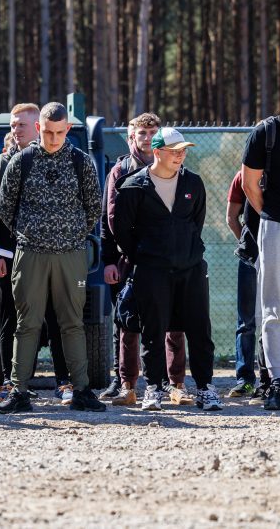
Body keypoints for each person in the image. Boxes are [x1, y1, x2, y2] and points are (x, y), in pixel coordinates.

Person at [0, 102, 106, 413]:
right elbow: (5, 207)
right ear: (40, 128)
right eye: (48, 132)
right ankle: (19, 392)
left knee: (72, 323)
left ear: (67, 129)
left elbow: (93, 207)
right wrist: (31, 232)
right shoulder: (23, 160)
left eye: (60, 132)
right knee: (26, 324)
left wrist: (67, 235)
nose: (54, 138)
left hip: (70, 254)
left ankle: (81, 390)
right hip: (31, 254)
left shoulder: (81, 162)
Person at [113, 127, 221, 411]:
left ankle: (205, 388)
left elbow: (195, 224)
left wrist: (183, 252)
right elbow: (123, 232)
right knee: (153, 330)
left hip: (191, 269)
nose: (181, 155)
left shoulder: (194, 183)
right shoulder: (133, 185)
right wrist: (147, 256)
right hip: (151, 270)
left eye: (184, 150)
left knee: (199, 329)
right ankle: (154, 389)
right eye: (174, 151)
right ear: (158, 152)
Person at [0, 103, 72, 404]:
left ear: (37, 128)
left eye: (20, 124)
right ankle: (7, 383)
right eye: (12, 124)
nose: (14, 129)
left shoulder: (56, 163)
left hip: (52, 257)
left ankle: (64, 383)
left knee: (57, 319)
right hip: (10, 259)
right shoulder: (1, 166)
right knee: (11, 320)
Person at [100, 113, 190, 407]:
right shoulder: (121, 171)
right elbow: (110, 220)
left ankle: (176, 384)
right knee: (129, 322)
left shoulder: (176, 168)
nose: (149, 138)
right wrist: (114, 259)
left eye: (154, 132)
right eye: (143, 133)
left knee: (174, 321)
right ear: (131, 137)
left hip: (170, 259)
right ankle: (128, 385)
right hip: (133, 259)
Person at [242, 78, 280, 410]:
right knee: (273, 309)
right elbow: (249, 183)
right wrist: (272, 216)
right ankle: (276, 382)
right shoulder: (266, 133)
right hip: (276, 228)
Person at [226, 168, 271, 398]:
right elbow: (232, 218)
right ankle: (244, 378)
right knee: (247, 321)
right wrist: (248, 245)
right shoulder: (242, 176)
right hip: (250, 258)